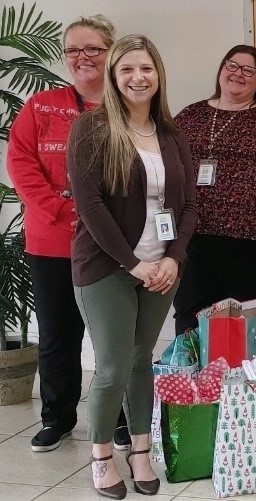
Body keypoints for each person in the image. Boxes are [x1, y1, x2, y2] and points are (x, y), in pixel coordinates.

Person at [67, 34, 197, 499]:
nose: (138, 78)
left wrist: (172, 259)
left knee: (144, 361)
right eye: (127, 70)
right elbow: (90, 205)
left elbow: (188, 207)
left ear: (158, 74)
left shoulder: (171, 134)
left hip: (160, 269)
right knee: (112, 368)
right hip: (107, 267)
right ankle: (102, 455)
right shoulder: (93, 128)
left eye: (146, 69)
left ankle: (139, 450)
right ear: (113, 76)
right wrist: (134, 263)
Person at [6, 15, 131, 453]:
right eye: (74, 50)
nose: (83, 58)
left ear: (111, 51)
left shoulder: (127, 108)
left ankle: (121, 419)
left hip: (113, 245)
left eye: (93, 48)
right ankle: (57, 418)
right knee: (58, 336)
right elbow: (21, 166)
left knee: (114, 336)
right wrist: (63, 211)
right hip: (53, 242)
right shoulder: (40, 106)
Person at [173, 44, 256, 335]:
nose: (237, 74)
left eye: (248, 70)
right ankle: (192, 378)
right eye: (231, 65)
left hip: (251, 239)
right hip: (194, 233)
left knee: (244, 322)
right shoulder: (191, 115)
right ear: (221, 71)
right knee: (190, 315)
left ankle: (242, 378)